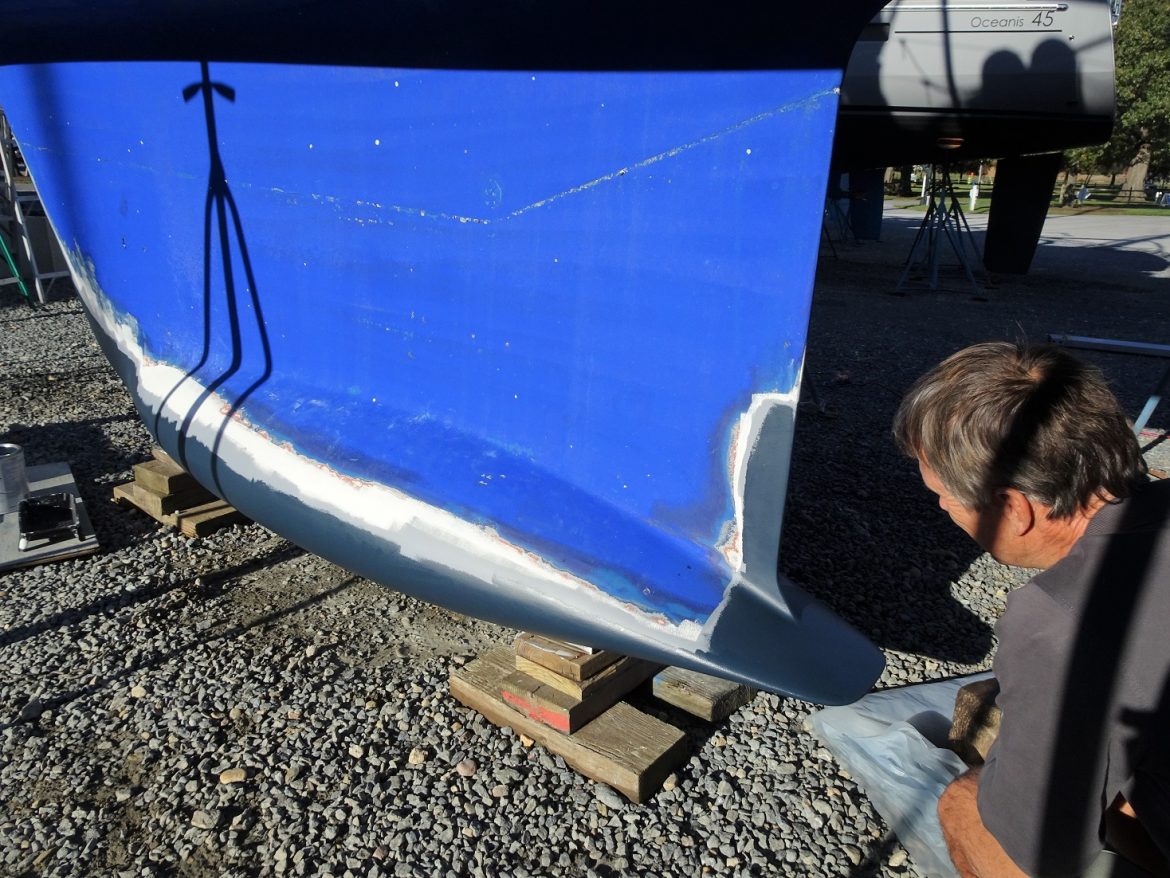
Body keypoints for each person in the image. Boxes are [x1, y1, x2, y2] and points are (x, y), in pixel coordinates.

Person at [893, 342, 1170, 877]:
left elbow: (1040, 849)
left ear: (1013, 508)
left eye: (943, 497)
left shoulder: (1061, 618)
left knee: (965, 807)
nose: (942, 509)